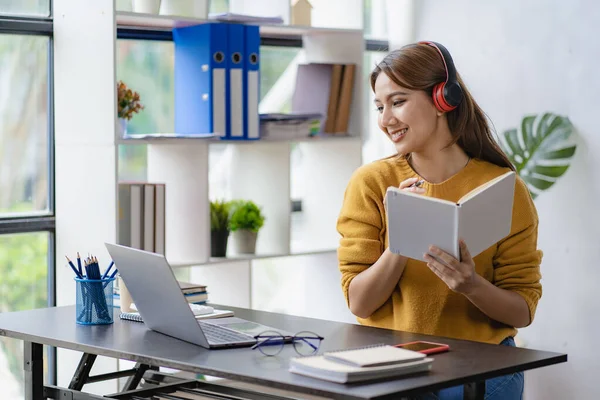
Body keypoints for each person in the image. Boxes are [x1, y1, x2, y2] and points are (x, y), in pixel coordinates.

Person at [336, 41, 542, 400]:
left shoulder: (503, 189)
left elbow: (522, 310)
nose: (386, 120)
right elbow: (359, 303)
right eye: (380, 106)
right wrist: (403, 237)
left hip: (483, 367)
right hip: (394, 366)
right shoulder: (370, 183)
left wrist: (471, 286)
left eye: (398, 102)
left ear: (442, 100)